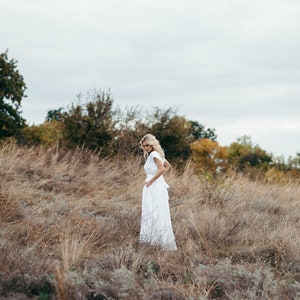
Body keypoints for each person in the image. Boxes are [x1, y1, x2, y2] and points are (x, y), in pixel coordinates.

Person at [139, 134, 177, 250]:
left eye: (147, 145)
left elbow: (162, 168)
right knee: (155, 211)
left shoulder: (155, 154)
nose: (145, 148)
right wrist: (157, 179)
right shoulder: (157, 155)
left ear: (152, 144)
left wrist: (151, 180)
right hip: (157, 185)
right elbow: (167, 166)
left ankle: (153, 241)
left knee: (152, 211)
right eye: (144, 146)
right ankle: (156, 240)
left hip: (153, 185)